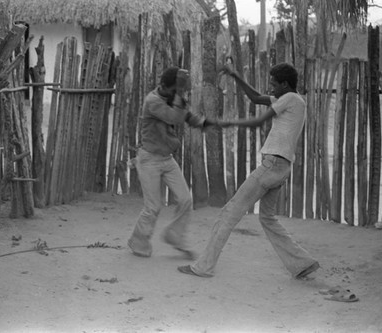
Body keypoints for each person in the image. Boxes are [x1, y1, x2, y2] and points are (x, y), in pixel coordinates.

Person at [178, 62, 320, 279]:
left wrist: (223, 123)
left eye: (274, 84)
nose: (271, 88)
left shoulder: (290, 99)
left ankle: (203, 267)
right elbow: (255, 98)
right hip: (281, 167)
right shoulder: (292, 100)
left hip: (271, 165)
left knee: (229, 212)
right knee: (268, 218)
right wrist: (236, 75)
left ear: (285, 84)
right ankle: (302, 263)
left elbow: (257, 121)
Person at [127, 66, 216, 260]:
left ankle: (174, 236)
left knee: (185, 200)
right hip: (149, 159)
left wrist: (202, 122)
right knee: (153, 207)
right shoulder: (152, 101)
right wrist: (181, 93)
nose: (176, 94)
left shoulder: (170, 96)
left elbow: (185, 115)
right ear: (163, 86)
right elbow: (174, 117)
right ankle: (138, 241)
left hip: (166, 159)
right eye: (173, 90)